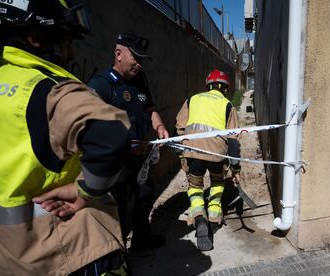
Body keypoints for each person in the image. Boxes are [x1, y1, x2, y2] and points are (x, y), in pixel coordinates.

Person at [0, 1, 133, 275]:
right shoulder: (48, 90)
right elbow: (110, 135)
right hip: (68, 247)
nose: (70, 53)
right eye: (67, 42)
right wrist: (84, 190)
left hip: (10, 257)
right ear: (35, 37)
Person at [87, 33, 169, 251]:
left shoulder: (140, 82)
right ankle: (118, 255)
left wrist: (160, 127)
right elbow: (89, 128)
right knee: (118, 208)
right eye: (136, 58)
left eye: (143, 60)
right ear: (119, 53)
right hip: (115, 164)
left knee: (145, 195)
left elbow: (150, 112)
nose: (139, 65)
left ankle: (142, 240)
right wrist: (123, 146)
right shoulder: (102, 84)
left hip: (139, 160)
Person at [175, 69, 241, 251]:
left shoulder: (192, 99)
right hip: (217, 156)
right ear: (225, 89)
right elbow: (233, 140)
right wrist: (236, 168)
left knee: (195, 187)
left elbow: (179, 129)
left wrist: (182, 154)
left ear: (208, 86)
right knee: (217, 182)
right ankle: (213, 217)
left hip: (193, 153)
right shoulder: (228, 105)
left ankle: (198, 217)